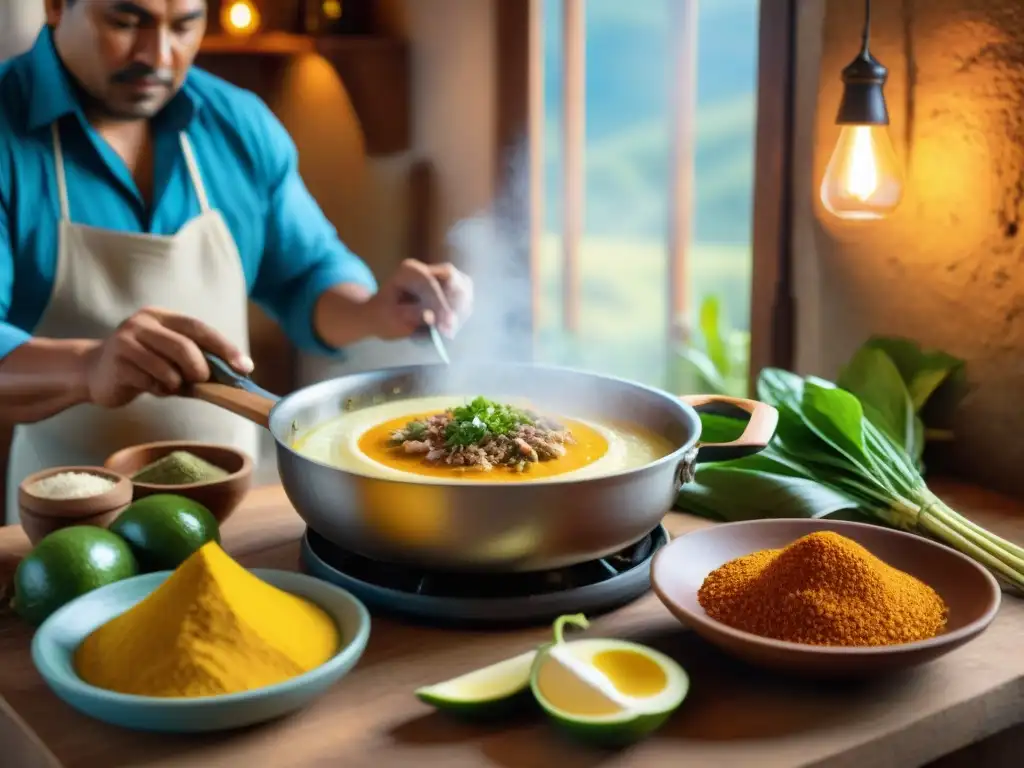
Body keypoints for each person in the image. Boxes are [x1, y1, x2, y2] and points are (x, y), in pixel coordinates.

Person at [0, 0, 473, 522]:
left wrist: (376, 310)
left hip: (236, 505)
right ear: (54, 6)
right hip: (71, 519)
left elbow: (305, 275)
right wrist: (89, 367)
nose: (159, 54)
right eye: (126, 22)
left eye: (184, 25)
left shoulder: (237, 124)